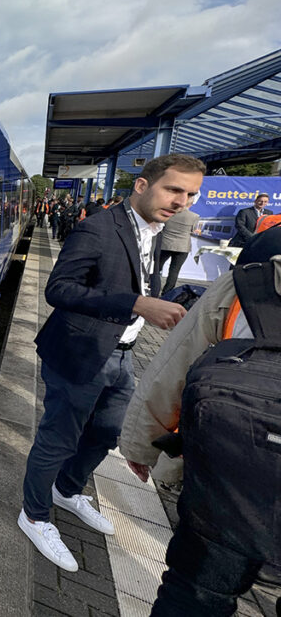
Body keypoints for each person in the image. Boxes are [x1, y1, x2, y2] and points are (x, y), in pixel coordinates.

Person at [18, 153, 205, 572]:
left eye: (191, 194)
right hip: (82, 354)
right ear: (142, 185)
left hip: (122, 354)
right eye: (173, 189)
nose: (182, 202)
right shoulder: (97, 227)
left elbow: (136, 280)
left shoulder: (154, 229)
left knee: (106, 432)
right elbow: (59, 289)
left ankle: (66, 491)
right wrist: (136, 303)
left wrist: (161, 302)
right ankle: (34, 514)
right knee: (58, 440)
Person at [119, 226, 281, 616]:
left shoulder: (258, 266)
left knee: (196, 594)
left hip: (230, 479)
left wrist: (142, 446)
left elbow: (172, 369)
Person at [157, 196, 200, 294]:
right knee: (174, 271)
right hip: (182, 246)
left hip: (165, 244)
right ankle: (167, 292)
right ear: (191, 204)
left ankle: (153, 287)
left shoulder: (169, 213)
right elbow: (193, 230)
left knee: (157, 267)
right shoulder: (194, 216)